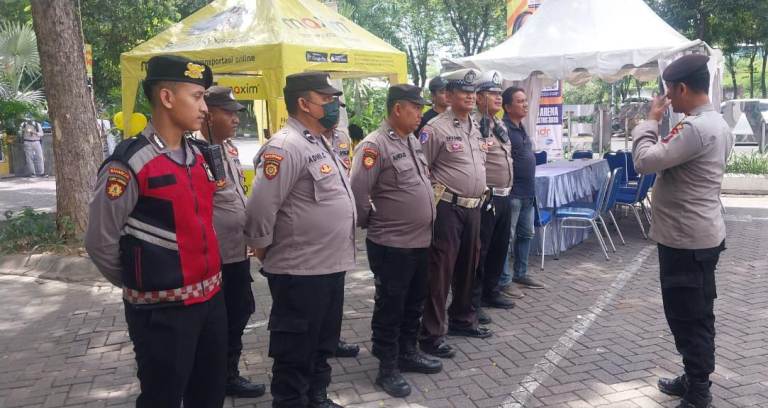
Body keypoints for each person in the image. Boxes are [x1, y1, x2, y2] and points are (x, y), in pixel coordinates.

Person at [85, 55, 228, 407]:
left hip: (210, 301)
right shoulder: (130, 163)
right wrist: (141, 280)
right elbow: (100, 241)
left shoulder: (199, 156)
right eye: (197, 97)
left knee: (209, 395)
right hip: (161, 314)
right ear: (166, 98)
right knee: (162, 398)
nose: (205, 107)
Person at [245, 72, 356, 408]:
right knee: (295, 352)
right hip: (300, 271)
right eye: (326, 99)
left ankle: (317, 397)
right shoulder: (285, 146)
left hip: (330, 265)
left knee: (323, 344)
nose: (333, 105)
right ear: (304, 103)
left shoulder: (319, 141)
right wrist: (263, 249)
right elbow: (260, 208)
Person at [632, 54, 731, 408]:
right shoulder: (716, 123)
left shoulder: (695, 129)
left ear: (683, 88)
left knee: (690, 316)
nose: (668, 100)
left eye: (670, 92)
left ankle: (699, 391)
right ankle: (693, 376)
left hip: (687, 241)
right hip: (696, 236)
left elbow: (645, 161)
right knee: (691, 312)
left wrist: (650, 122)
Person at [350, 84, 442, 398]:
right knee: (391, 306)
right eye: (415, 108)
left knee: (414, 301)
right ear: (398, 109)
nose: (420, 114)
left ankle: (408, 352)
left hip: (419, 241)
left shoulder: (412, 141)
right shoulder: (374, 145)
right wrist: (373, 223)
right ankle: (387, 366)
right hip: (392, 244)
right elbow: (358, 193)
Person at [193, 86, 266, 398]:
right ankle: (212, 378)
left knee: (239, 312)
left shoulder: (228, 148)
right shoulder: (192, 152)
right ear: (209, 115)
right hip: (212, 257)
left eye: (237, 113)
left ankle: (228, 374)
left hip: (236, 251)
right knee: (216, 321)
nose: (236, 119)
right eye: (228, 112)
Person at [418, 68, 490, 359]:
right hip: (447, 206)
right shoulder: (435, 129)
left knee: (468, 267)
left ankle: (462, 318)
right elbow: (421, 170)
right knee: (440, 272)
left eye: (473, 92)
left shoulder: (476, 126)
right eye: (463, 92)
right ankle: (431, 334)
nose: (470, 97)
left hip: (474, 207)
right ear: (448, 95)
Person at [471, 71, 516, 325]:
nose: (498, 98)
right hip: (485, 197)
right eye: (492, 94)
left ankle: (491, 291)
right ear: (479, 98)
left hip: (504, 195)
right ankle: (474, 300)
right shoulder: (473, 125)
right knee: (481, 250)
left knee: (499, 248)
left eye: (500, 94)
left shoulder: (499, 125)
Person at [499, 86, 545, 299]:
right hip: (513, 193)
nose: (525, 104)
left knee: (526, 234)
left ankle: (521, 273)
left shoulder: (521, 127)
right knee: (506, 238)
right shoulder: (503, 129)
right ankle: (504, 280)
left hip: (528, 192)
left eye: (525, 100)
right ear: (507, 107)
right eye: (520, 101)